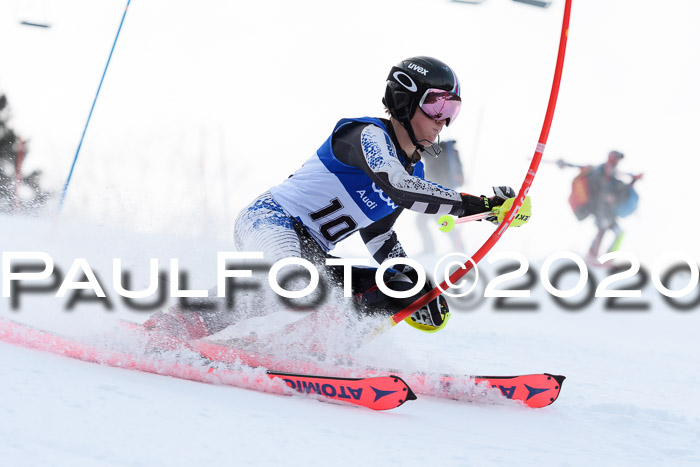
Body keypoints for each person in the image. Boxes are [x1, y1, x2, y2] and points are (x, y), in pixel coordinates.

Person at [144, 56, 528, 347]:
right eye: (437, 106)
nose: (443, 120)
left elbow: (379, 237)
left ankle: (301, 349)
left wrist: (415, 289)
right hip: (270, 219)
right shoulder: (364, 133)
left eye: (452, 110)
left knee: (397, 284)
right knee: (294, 281)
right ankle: (177, 324)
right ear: (405, 100)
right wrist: (483, 206)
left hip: (312, 247)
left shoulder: (416, 174)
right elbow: (397, 188)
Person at [561, 150, 643, 262]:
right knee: (603, 230)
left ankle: (606, 258)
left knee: (615, 232)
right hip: (601, 210)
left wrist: (633, 181)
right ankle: (593, 255)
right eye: (615, 158)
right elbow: (605, 190)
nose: (617, 162)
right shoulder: (601, 172)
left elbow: (619, 189)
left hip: (607, 212)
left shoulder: (610, 174)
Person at [415, 139, 466, 254]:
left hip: (436, 193)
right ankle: (460, 247)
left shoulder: (431, 150)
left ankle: (431, 249)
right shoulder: (449, 151)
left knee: (423, 221)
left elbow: (416, 150)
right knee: (439, 219)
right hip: (443, 192)